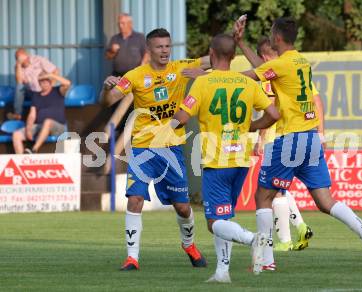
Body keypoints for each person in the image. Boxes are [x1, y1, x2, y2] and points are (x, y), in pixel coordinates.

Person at [234, 16, 362, 271]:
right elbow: (264, 69)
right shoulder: (301, 62)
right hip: (311, 138)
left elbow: (250, 76)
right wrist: (241, 44)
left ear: (278, 37)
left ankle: (265, 261)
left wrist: (214, 78)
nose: (270, 37)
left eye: (272, 34)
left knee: (262, 197)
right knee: (326, 201)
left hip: (290, 139)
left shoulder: (282, 64)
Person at [101, 28, 211, 271]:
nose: (164, 51)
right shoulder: (136, 75)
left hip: (172, 149)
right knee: (135, 199)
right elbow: (108, 101)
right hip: (142, 149)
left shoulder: (180, 68)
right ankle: (132, 258)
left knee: (182, 207)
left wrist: (229, 48)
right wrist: (106, 88)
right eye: (159, 47)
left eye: (167, 46)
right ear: (148, 50)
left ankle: (190, 245)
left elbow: (213, 60)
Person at [173, 33, 280, 282]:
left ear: (211, 54)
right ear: (233, 56)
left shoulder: (203, 83)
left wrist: (162, 128)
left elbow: (182, 117)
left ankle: (253, 239)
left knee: (213, 222)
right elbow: (274, 113)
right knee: (225, 216)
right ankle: (222, 272)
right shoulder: (247, 83)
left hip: (216, 161)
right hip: (241, 161)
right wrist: (253, 126)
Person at [255, 36, 325, 253]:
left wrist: (260, 137)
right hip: (301, 133)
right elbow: (317, 100)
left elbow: (272, 107)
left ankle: (284, 240)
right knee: (280, 188)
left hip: (279, 136)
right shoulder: (297, 71)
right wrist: (321, 132)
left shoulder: (273, 73)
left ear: (264, 56)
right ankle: (301, 226)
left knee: (273, 193)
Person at [12, 73, 70, 154]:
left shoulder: (58, 91)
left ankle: (33, 150)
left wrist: (51, 75)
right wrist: (28, 128)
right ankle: (21, 160)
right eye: (42, 81)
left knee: (48, 122)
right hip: (40, 126)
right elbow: (32, 115)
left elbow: (67, 83)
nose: (45, 83)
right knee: (16, 134)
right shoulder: (36, 96)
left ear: (50, 82)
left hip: (59, 127)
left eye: (47, 81)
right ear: (39, 83)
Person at [8, 49, 59, 120]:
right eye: (18, 59)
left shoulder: (39, 60)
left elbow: (55, 71)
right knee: (20, 87)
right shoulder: (18, 66)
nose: (22, 61)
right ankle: (18, 114)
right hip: (30, 91)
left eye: (23, 58)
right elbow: (19, 82)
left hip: (42, 89)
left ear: (27, 56)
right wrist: (19, 64)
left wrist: (51, 87)